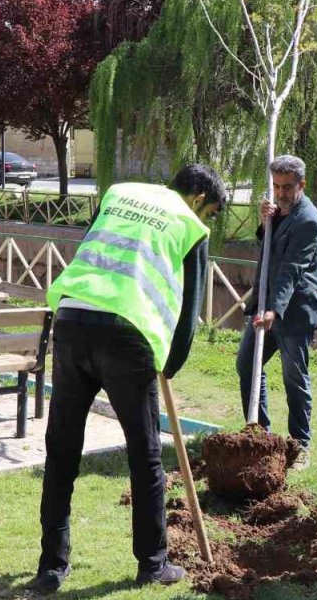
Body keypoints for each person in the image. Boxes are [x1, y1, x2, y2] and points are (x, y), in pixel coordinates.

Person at [32, 164, 226, 595]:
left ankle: (51, 566)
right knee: (146, 454)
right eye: (210, 212)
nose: (207, 220)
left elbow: (92, 249)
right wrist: (171, 364)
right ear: (198, 198)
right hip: (127, 334)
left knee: (62, 449)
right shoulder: (191, 225)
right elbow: (189, 308)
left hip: (72, 318)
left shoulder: (119, 193)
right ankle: (153, 564)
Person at [237, 154, 317, 469]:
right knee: (247, 365)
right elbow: (272, 250)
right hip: (266, 305)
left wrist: (274, 311)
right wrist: (267, 223)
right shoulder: (279, 211)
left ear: (302, 185)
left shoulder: (309, 220)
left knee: (294, 378)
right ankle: (260, 435)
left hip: (295, 311)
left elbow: (291, 269)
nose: (281, 193)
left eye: (288, 187)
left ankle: (300, 446)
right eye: (276, 186)